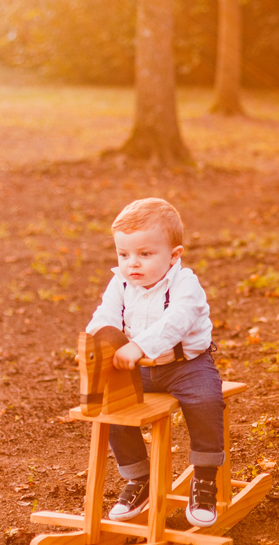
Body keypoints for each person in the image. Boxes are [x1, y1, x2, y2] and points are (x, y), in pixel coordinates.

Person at [85, 198, 224, 527]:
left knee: (205, 401)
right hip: (140, 369)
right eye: (124, 255)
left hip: (186, 366)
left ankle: (204, 479)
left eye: (145, 254)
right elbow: (105, 316)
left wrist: (138, 346)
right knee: (113, 403)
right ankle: (138, 478)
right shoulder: (120, 283)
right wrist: (96, 343)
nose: (132, 264)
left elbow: (177, 320)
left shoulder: (184, 283)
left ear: (174, 255)